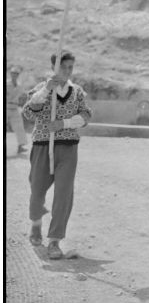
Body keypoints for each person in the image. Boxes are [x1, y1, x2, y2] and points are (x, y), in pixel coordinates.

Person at [22, 50, 92, 259]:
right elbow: (28, 113)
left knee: (64, 194)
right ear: (54, 67)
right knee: (37, 191)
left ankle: (54, 240)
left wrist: (64, 123)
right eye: (64, 67)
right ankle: (36, 223)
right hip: (43, 145)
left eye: (71, 67)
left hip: (68, 147)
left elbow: (86, 115)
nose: (68, 71)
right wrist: (46, 90)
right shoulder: (41, 89)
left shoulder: (77, 91)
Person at [6, 65, 28, 154]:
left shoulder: (20, 85)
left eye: (16, 73)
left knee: (19, 127)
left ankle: (20, 146)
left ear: (18, 75)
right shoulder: (6, 84)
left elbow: (24, 95)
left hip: (15, 108)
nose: (14, 75)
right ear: (10, 74)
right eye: (13, 73)